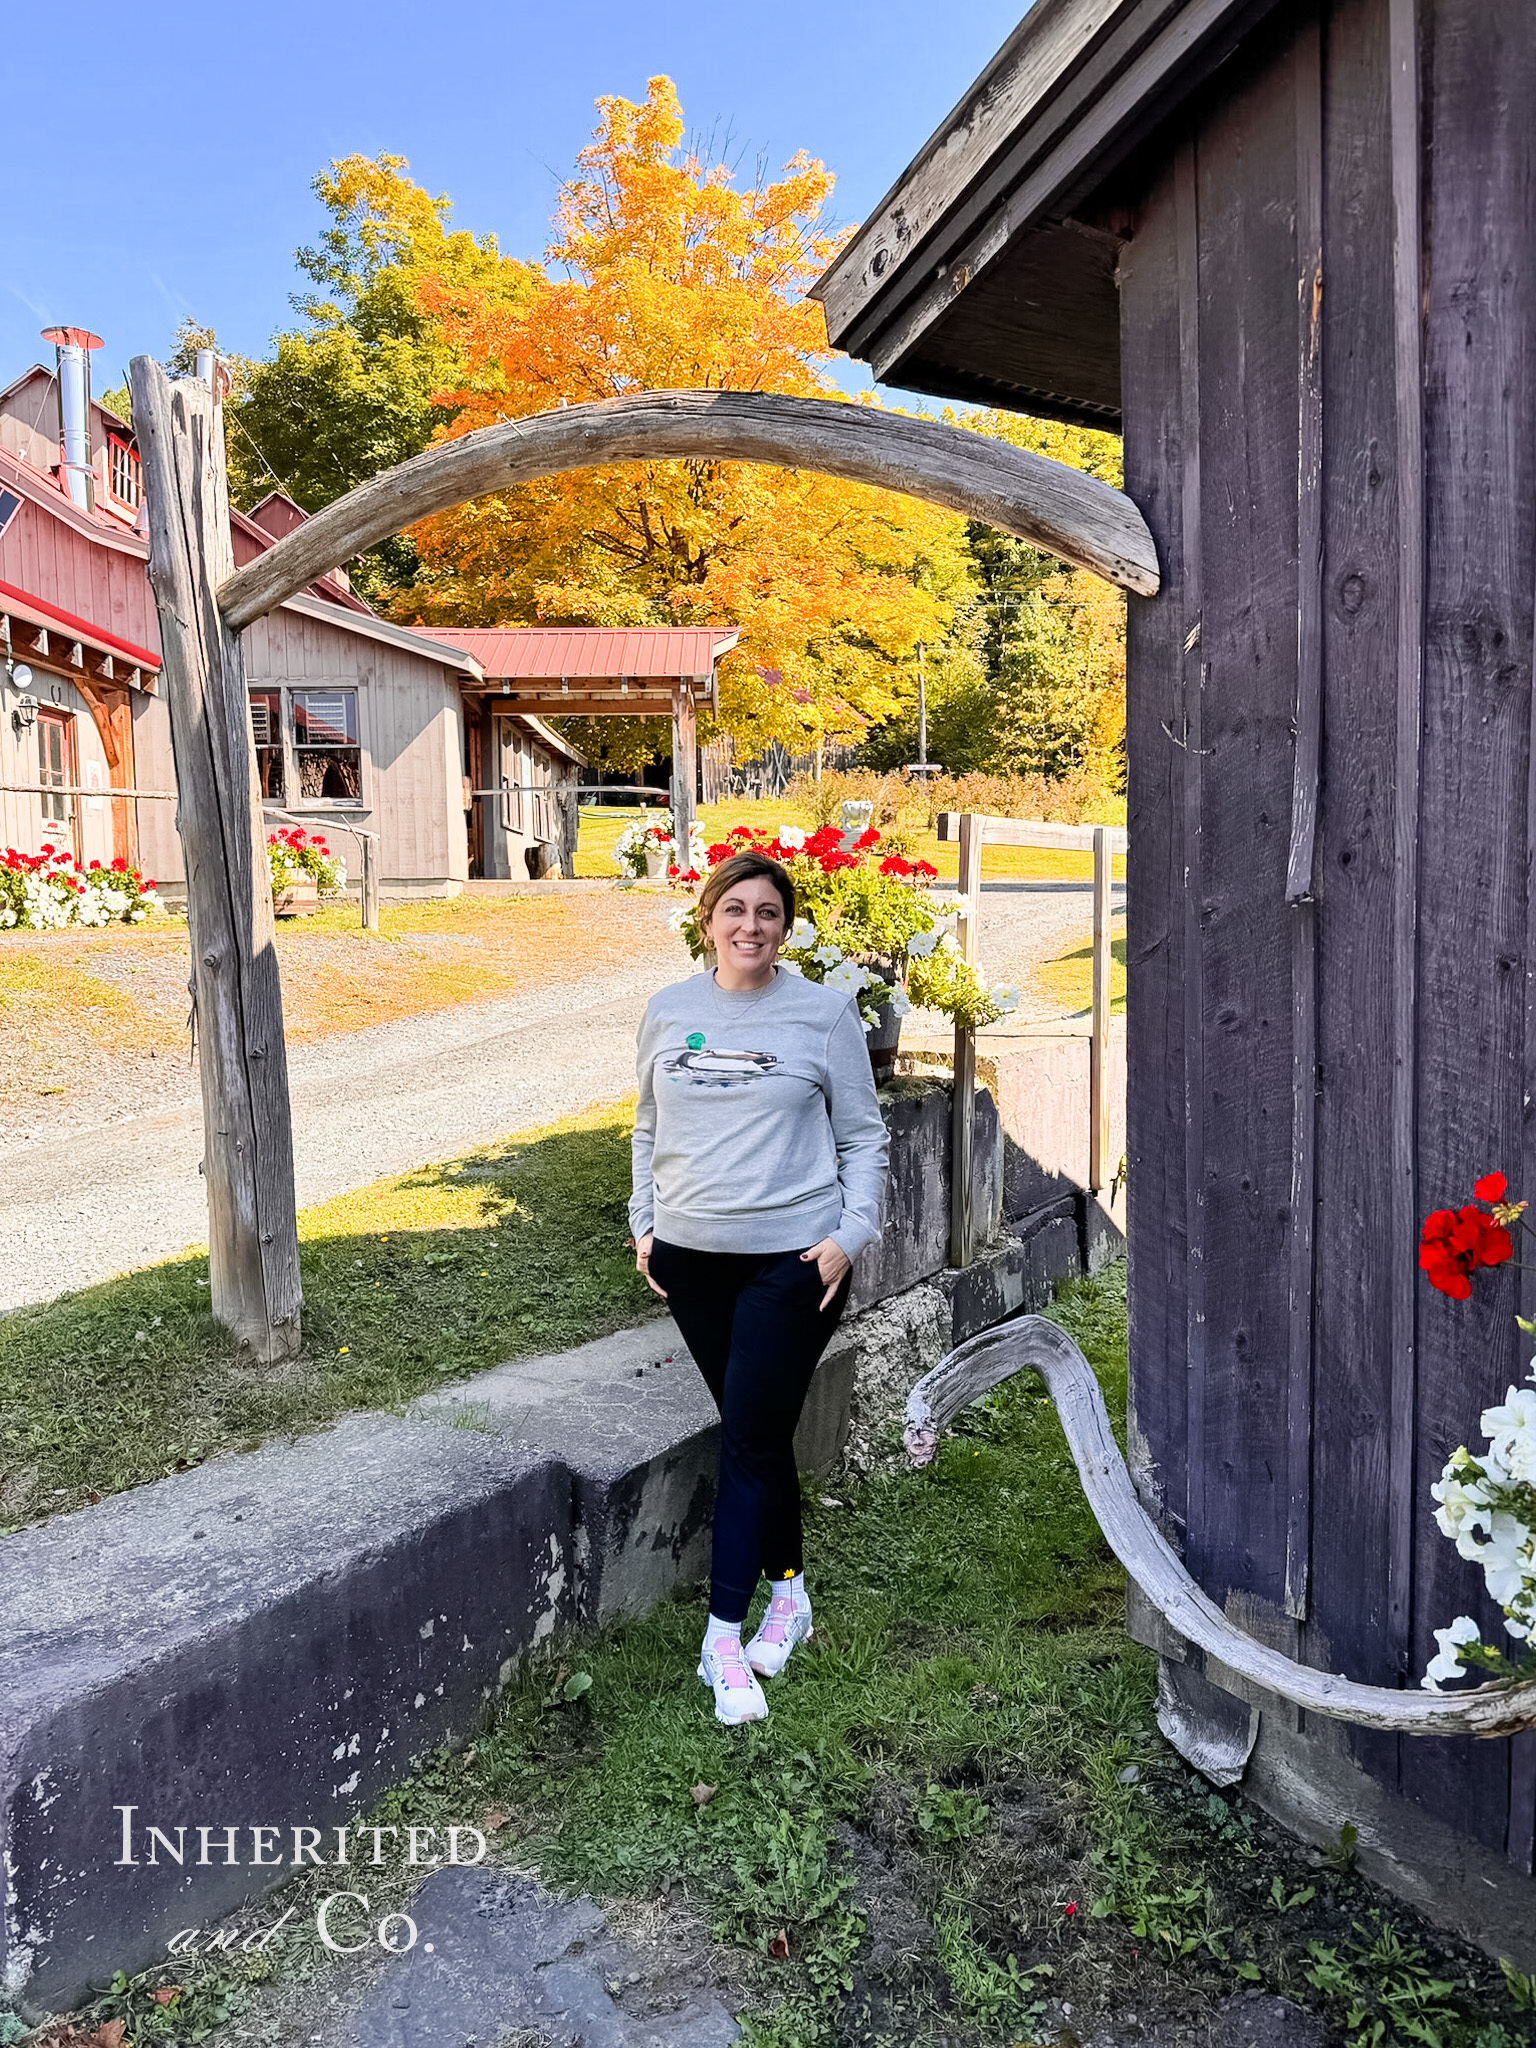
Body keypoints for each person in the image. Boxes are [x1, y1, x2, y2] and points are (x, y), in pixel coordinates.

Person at [629, 848, 890, 1724]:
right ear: (707, 919)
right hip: (692, 1260)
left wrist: (850, 1236)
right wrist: (644, 1220)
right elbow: (646, 1123)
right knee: (761, 1432)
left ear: (786, 928)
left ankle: (722, 1641)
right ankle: (791, 1591)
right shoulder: (669, 1010)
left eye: (768, 914)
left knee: (745, 1440)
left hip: (794, 1261)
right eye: (735, 909)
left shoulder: (822, 1015)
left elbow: (864, 1137)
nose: (750, 926)